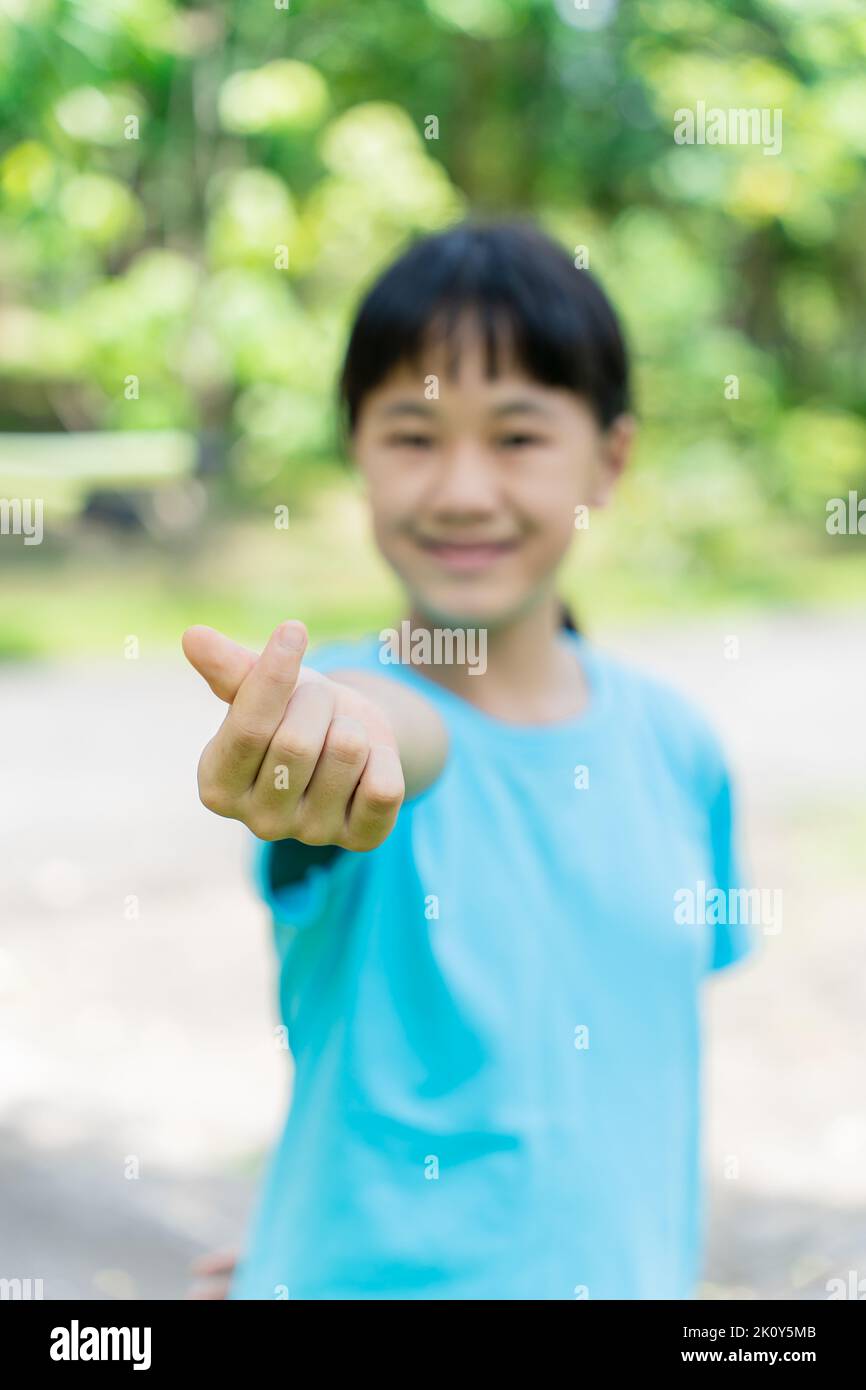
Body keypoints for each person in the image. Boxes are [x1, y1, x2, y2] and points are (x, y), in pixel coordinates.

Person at [182, 221, 754, 1300]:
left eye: (516, 436)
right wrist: (330, 732)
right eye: (411, 434)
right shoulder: (349, 723)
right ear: (354, 449)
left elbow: (631, 1075)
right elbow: (402, 736)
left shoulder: (678, 747)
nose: (459, 489)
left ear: (609, 458)